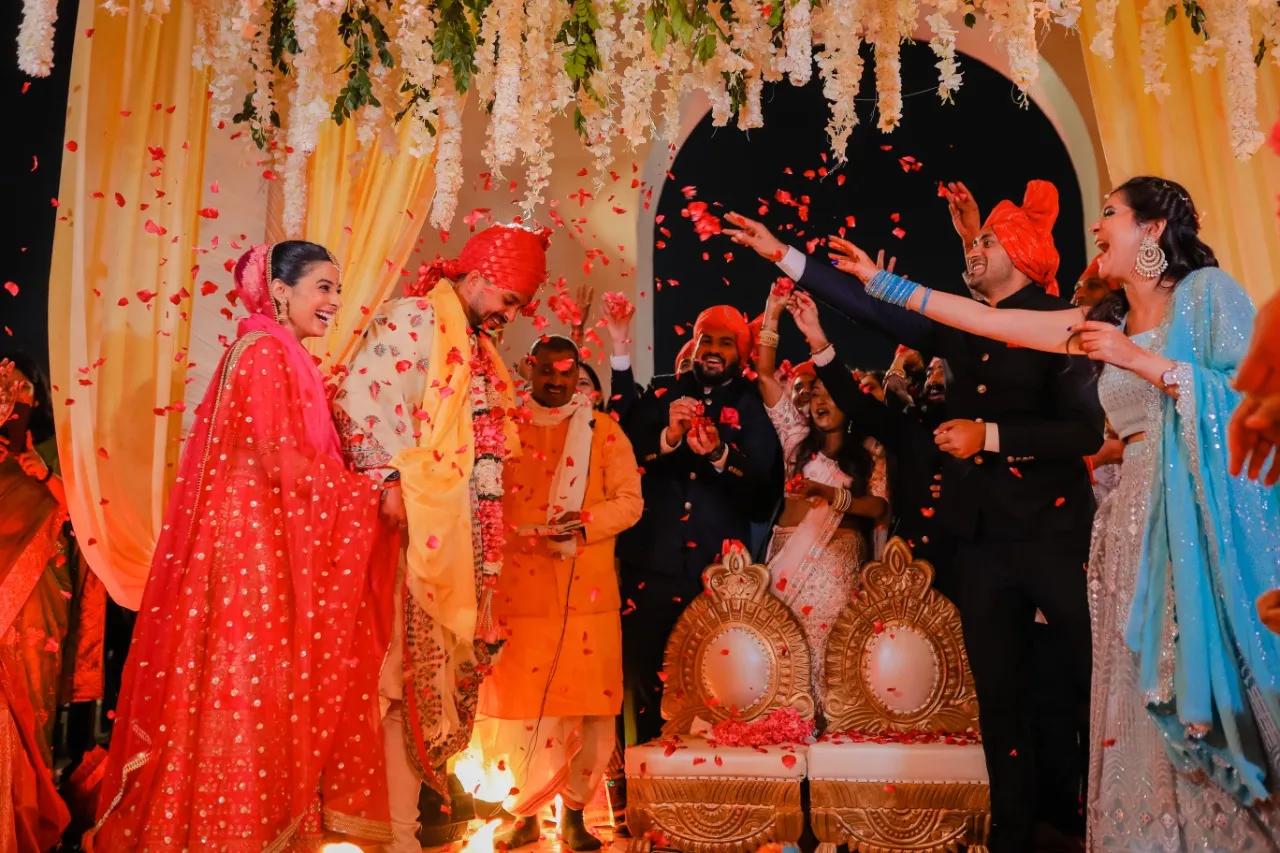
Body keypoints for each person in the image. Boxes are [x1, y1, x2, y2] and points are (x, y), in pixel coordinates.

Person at [827, 175, 1280, 848]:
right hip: (1128, 530)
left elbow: (1252, 402)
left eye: (1110, 213)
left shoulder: (1207, 294)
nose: (1097, 226)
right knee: (1132, 699)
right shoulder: (1103, 323)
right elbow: (988, 320)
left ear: (1153, 229)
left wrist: (1140, 362)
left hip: (1193, 529)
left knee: (1191, 694)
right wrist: (881, 283)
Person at [725, 180, 1102, 852]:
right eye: (974, 241)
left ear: (1022, 254)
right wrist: (784, 255)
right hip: (981, 543)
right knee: (999, 697)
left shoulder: (1060, 322)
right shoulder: (961, 326)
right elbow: (873, 312)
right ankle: (1013, 835)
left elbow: (1083, 433)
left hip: (1052, 534)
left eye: (988, 241)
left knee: (1083, 682)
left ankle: (1089, 824)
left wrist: (989, 436)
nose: (974, 248)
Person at [91, 242, 394, 849]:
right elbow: (280, 459)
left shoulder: (284, 354)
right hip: (251, 554)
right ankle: (229, 832)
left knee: (261, 687)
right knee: (245, 684)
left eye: (337, 289)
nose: (335, 301)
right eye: (324, 287)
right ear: (280, 290)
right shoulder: (263, 354)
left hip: (268, 544)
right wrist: (369, 494)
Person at [333, 223, 549, 852]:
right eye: (508, 300)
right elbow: (359, 402)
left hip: (449, 540)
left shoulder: (479, 348)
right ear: (476, 279)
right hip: (401, 535)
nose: (511, 315)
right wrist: (388, 483)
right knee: (386, 686)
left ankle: (402, 836)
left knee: (418, 694)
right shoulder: (413, 321)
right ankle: (370, 833)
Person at [475, 335, 642, 851]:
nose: (555, 380)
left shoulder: (603, 431)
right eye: (546, 370)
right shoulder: (504, 428)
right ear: (531, 368)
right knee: (524, 710)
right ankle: (524, 811)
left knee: (588, 709)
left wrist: (584, 522)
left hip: (585, 597)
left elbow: (630, 502)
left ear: (577, 375)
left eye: (566, 372)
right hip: (518, 596)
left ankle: (573, 814)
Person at [618, 305, 781, 744]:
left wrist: (720, 456)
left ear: (740, 354)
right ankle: (637, 775)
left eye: (725, 343)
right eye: (706, 339)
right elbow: (621, 457)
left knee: (712, 686)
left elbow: (763, 497)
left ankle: (704, 780)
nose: (713, 350)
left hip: (717, 575)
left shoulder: (754, 406)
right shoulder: (661, 393)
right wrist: (668, 438)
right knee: (640, 678)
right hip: (650, 567)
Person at [753, 286, 887, 702]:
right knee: (783, 663)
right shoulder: (795, 440)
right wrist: (772, 315)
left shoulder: (869, 451)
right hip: (785, 563)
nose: (820, 402)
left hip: (837, 572)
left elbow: (878, 506)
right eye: (815, 395)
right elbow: (764, 375)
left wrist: (828, 494)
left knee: (830, 669)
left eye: (831, 395)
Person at [1, 353, 105, 851]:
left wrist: (43, 475)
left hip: (36, 597)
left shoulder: (57, 455)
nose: (11, 401)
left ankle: (25, 821)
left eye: (20, 391)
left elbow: (89, 521)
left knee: (29, 705)